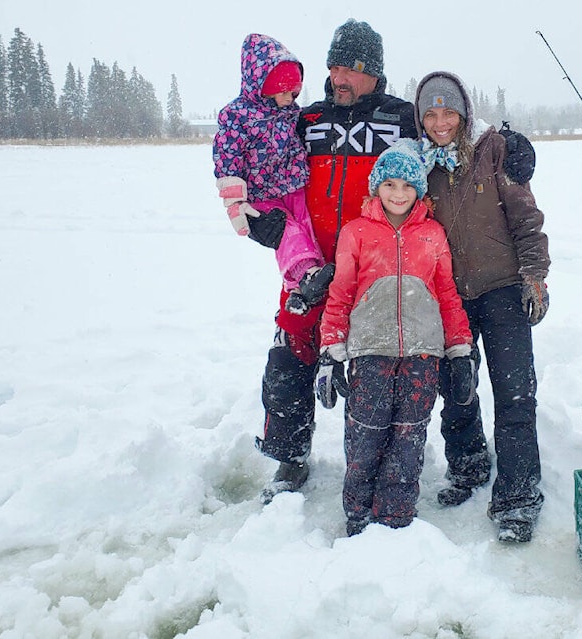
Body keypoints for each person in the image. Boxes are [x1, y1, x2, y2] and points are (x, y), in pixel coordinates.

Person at [257, 20, 419, 503]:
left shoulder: (402, 119)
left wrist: (507, 148)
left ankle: (377, 463)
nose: (337, 76)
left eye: (349, 67)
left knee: (376, 369)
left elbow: (451, 139)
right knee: (289, 354)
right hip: (310, 267)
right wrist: (259, 218)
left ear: (373, 72)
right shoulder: (304, 121)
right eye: (332, 66)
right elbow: (256, 158)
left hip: (375, 271)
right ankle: (289, 456)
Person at [414, 71, 551, 542]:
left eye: (448, 112)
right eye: (430, 114)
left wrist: (535, 274)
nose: (440, 122)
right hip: (449, 297)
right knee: (457, 387)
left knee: (515, 393)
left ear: (464, 113)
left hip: (504, 290)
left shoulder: (494, 150)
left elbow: (526, 215)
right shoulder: (416, 164)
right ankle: (468, 466)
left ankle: (518, 495)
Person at [315, 140, 476, 535]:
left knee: (409, 434)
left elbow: (448, 295)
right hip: (371, 349)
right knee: (366, 432)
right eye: (390, 185)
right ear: (376, 187)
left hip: (423, 353)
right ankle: (357, 512)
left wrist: (459, 350)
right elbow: (341, 293)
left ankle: (396, 516)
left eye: (407, 185)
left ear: (419, 190)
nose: (398, 193)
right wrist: (330, 351)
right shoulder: (356, 233)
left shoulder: (433, 234)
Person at [212, 33, 316, 269]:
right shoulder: (237, 116)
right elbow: (227, 159)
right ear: (264, 87)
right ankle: (304, 274)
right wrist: (235, 203)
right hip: (262, 193)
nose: (290, 99)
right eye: (284, 92)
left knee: (307, 228)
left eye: (294, 93)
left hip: (294, 186)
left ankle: (315, 272)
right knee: (285, 232)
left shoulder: (291, 113)